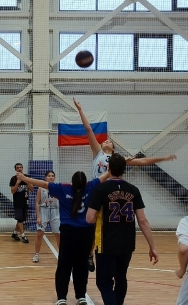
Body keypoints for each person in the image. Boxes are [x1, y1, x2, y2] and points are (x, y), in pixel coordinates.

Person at [73, 98, 176, 271]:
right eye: (104, 141)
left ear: (113, 149)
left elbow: (142, 162)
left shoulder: (119, 159)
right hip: (97, 190)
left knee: (109, 225)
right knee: (91, 223)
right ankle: (90, 254)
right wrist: (80, 110)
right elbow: (89, 129)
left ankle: (106, 252)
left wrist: (163, 158)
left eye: (109, 141)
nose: (106, 141)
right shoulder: (97, 153)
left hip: (113, 193)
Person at [86, 154, 159, 305]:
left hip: (106, 243)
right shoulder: (133, 190)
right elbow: (142, 220)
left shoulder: (101, 189)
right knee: (121, 277)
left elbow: (90, 218)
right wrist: (152, 246)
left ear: (108, 168)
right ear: (124, 169)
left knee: (104, 282)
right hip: (127, 243)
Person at [16, 169, 109, 305]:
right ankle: (81, 296)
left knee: (64, 265)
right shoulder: (90, 187)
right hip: (86, 232)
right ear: (85, 182)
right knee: (81, 265)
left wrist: (24, 178)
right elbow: (105, 175)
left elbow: (42, 184)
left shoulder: (63, 189)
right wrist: (121, 163)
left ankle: (61, 297)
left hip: (68, 231)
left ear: (72, 182)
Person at [33, 170, 60, 263]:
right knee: (39, 234)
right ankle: (36, 254)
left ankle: (62, 255)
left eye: (52, 176)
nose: (51, 177)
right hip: (43, 210)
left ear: (54, 178)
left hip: (55, 211)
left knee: (58, 234)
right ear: (45, 177)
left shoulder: (58, 187)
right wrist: (38, 216)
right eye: (49, 176)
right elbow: (37, 202)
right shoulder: (41, 188)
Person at [9, 163, 33, 243]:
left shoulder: (27, 177)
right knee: (20, 219)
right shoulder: (13, 179)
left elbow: (32, 189)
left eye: (20, 167)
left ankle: (15, 233)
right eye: (17, 168)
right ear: (15, 170)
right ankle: (23, 235)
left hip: (25, 201)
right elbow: (13, 191)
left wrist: (26, 180)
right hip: (17, 202)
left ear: (22, 168)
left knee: (22, 219)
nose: (19, 169)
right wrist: (17, 183)